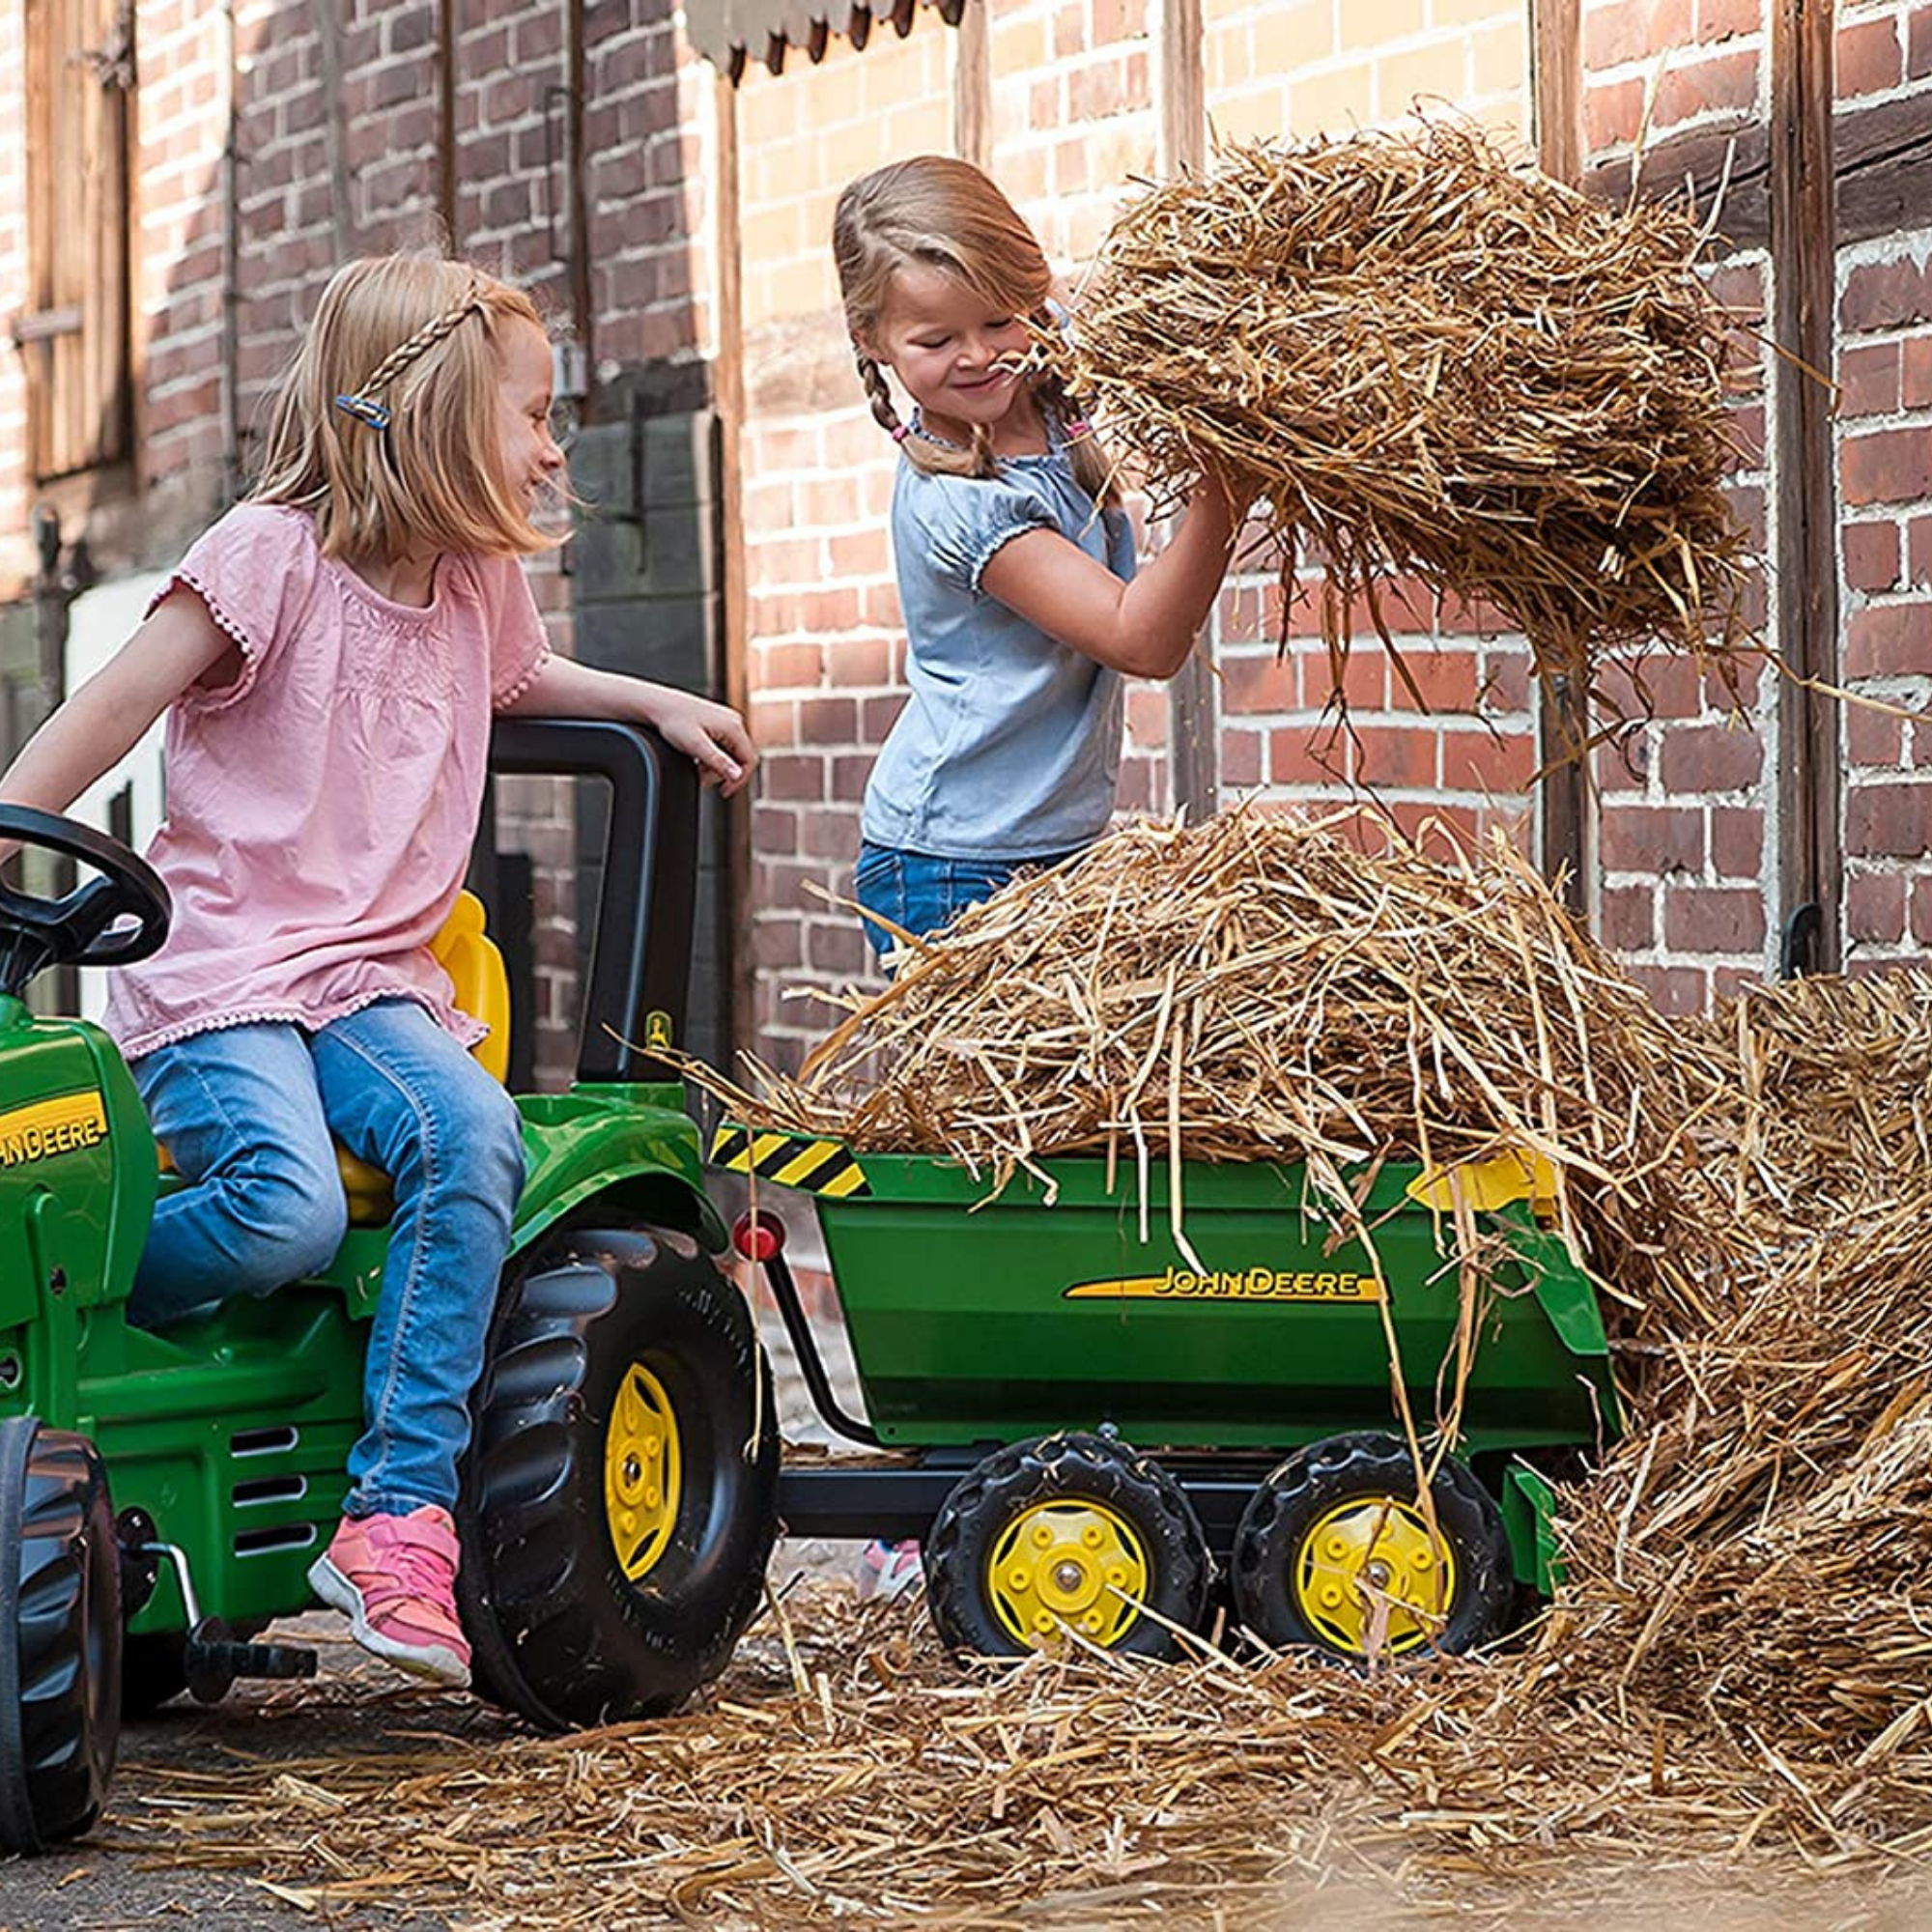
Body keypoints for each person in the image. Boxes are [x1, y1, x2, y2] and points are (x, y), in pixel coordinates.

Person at [0, 255, 754, 1689]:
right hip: (224, 968)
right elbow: (116, 701)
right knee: (280, 1213)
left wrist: (655, 696)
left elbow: (526, 685)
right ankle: (91, 1318)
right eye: (530, 418)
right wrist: (7, 825)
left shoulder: (472, 587)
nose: (551, 449)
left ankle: (397, 1516)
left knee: (472, 1131)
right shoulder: (267, 557)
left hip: (371, 980)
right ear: (424, 418)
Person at [832, 156, 1246, 1597]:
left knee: (1057, 1176)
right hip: (954, 873)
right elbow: (1139, 636)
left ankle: (1043, 1456)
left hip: (1049, 860)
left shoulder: (1051, 419)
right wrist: (1234, 486)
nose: (980, 360)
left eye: (1002, 317)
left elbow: (1098, 395)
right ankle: (916, 1504)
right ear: (876, 348)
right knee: (973, 1187)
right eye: (935, 341)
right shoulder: (960, 508)